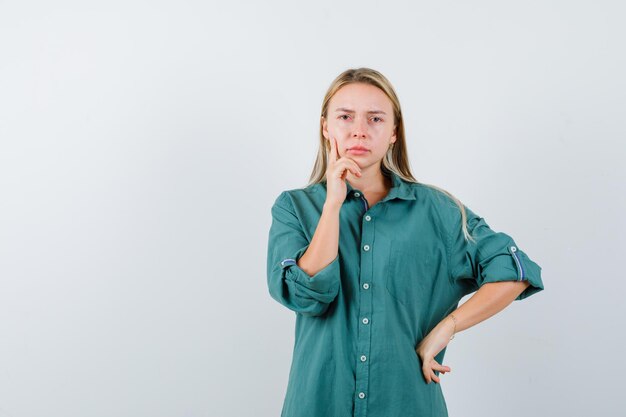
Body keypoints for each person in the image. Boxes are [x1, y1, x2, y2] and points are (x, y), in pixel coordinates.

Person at [266, 67, 544, 417]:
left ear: (394, 132)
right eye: (345, 116)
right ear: (326, 126)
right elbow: (305, 295)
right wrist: (333, 203)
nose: (359, 130)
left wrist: (448, 327)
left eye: (376, 119)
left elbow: (514, 268)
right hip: (319, 405)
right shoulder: (295, 207)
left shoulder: (438, 212)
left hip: (407, 404)